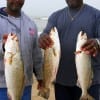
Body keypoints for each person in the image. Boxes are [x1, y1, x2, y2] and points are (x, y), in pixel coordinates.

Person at [39, 0, 100, 100]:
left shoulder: (96, 15)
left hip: (89, 81)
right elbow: (45, 33)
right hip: (61, 80)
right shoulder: (55, 16)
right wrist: (42, 37)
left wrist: (97, 43)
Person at [0, 0, 43, 100]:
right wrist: (3, 46)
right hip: (1, 86)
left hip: (25, 85)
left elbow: (36, 54)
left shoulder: (30, 24)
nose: (17, 1)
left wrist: (40, 76)